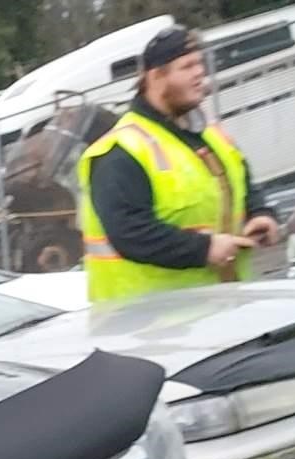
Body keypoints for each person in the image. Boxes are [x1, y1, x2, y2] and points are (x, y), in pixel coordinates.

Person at [77, 26, 281, 301]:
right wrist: (204, 249)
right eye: (187, 66)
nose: (200, 74)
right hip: (149, 327)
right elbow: (130, 233)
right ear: (156, 77)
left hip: (222, 307)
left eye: (199, 64)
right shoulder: (119, 151)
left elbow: (242, 183)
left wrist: (260, 214)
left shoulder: (210, 134)